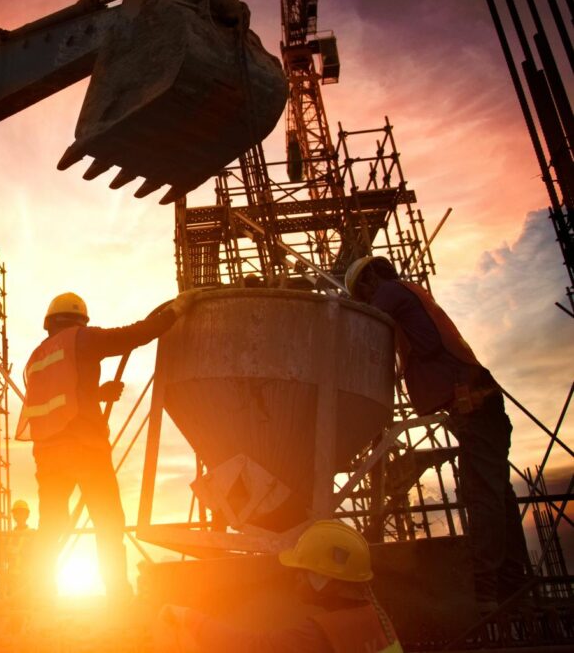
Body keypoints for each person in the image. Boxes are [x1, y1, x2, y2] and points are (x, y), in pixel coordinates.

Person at [345, 256, 531, 611]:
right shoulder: (407, 299)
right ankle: (511, 582)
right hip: (478, 407)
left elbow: (359, 321)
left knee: (483, 494)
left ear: (370, 279)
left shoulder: (390, 293)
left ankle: (486, 590)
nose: (367, 300)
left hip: (475, 405)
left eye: (363, 293)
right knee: (497, 494)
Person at [16, 290, 198, 600]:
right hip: (84, 447)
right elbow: (134, 335)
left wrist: (97, 394)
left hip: (48, 454)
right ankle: (117, 595)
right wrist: (176, 311)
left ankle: (40, 595)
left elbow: (58, 396)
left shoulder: (36, 357)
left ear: (49, 323)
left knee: (51, 526)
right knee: (108, 521)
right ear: (80, 321)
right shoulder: (81, 339)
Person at [157, 520, 403, 652]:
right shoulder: (375, 617)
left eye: (301, 572)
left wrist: (189, 617)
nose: (295, 579)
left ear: (323, 578)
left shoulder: (323, 633)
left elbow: (255, 648)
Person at [0, 499, 35, 599]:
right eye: (17, 513)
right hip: (11, 578)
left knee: (25, 605)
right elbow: (3, 557)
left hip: (26, 577)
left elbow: (35, 555)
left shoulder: (32, 534)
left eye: (22, 513)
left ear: (27, 515)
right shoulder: (9, 535)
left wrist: (19, 551)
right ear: (14, 515)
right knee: (12, 606)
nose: (19, 516)